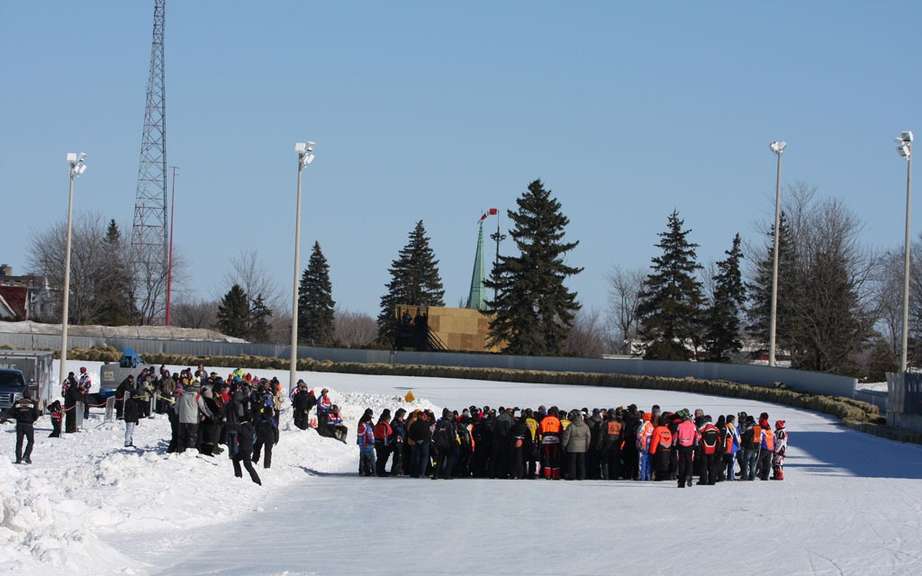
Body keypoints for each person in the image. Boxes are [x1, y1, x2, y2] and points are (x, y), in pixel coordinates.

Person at [225, 381, 261, 485]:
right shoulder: (251, 427)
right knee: (245, 464)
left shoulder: (241, 427)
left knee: (241, 462)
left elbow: (237, 433)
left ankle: (240, 476)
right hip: (249, 449)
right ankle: (255, 480)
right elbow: (254, 438)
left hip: (244, 449)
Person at [1, 389, 39, 464]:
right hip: (29, 425)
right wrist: (32, 419)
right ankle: (26, 455)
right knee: (31, 441)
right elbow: (36, 414)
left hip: (20, 424)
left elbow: (11, 412)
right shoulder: (33, 403)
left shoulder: (18, 402)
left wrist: (17, 417)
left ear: (23, 395)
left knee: (19, 442)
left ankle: (18, 459)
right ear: (30, 395)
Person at [252, 385, 277, 469]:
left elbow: (255, 425)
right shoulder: (271, 420)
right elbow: (275, 429)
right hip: (269, 437)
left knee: (257, 448)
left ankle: (254, 460)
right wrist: (276, 438)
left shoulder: (260, 418)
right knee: (268, 451)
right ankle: (266, 466)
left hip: (260, 435)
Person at [562, 410, 591, 480]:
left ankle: (572, 476)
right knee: (581, 463)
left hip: (572, 447)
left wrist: (564, 445)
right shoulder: (585, 426)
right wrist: (587, 446)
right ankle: (581, 476)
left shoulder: (571, 425)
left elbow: (566, 436)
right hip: (582, 448)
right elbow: (588, 437)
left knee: (572, 463)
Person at [433, 408, 457, 479]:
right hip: (448, 444)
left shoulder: (439, 422)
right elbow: (452, 435)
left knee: (439, 460)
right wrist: (453, 442)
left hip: (440, 444)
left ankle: (436, 474)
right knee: (450, 460)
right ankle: (447, 475)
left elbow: (435, 434)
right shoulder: (449, 424)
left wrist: (436, 442)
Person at [539, 407, 562, 479]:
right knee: (555, 457)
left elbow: (540, 431)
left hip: (546, 440)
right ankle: (555, 475)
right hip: (555, 440)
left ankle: (547, 474)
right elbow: (561, 431)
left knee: (547, 458)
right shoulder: (557, 420)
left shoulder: (544, 420)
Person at [675, 410, 697, 488]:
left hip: (681, 446)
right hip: (690, 446)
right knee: (689, 462)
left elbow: (676, 437)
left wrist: (675, 445)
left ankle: (681, 482)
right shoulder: (693, 426)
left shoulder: (679, 425)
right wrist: (695, 445)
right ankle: (689, 476)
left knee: (681, 464)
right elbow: (696, 436)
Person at [648, 416, 673, 481]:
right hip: (667, 450)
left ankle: (659, 477)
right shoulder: (668, 430)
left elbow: (655, 441)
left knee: (659, 464)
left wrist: (652, 451)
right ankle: (665, 476)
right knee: (665, 464)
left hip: (659, 450)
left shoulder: (657, 429)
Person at [408, 410, 431, 478]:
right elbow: (429, 433)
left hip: (416, 443)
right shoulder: (425, 424)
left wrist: (415, 440)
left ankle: (416, 473)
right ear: (419, 416)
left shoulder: (414, 424)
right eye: (423, 415)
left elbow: (410, 434)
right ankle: (421, 473)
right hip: (424, 443)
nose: (424, 417)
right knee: (423, 458)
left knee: (416, 458)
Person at [698, 416, 720, 485]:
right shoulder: (716, 428)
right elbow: (719, 439)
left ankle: (703, 481)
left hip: (704, 449)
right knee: (712, 466)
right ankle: (712, 481)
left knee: (703, 466)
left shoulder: (703, 427)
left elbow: (698, 437)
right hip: (713, 450)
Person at [373, 409, 393, 477]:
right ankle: (379, 471)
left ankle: (380, 470)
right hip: (382, 444)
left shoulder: (381, 423)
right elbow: (383, 435)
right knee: (382, 458)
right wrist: (386, 444)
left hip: (380, 443)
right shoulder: (382, 424)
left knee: (382, 457)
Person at [357, 409, 376, 476]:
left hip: (362, 442)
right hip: (367, 443)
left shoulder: (361, 421)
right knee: (371, 458)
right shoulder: (366, 423)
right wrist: (373, 441)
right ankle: (372, 471)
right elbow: (370, 432)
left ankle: (362, 471)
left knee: (363, 457)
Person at [636, 412, 654, 481]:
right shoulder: (651, 426)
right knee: (648, 461)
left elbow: (639, 435)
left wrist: (639, 443)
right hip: (649, 445)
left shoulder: (643, 425)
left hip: (643, 445)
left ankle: (642, 476)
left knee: (641, 461)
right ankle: (648, 476)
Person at [723, 414, 740, 481]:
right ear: (732, 420)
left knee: (724, 463)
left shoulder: (724, 426)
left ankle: (721, 475)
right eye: (734, 420)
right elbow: (737, 438)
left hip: (724, 447)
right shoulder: (733, 427)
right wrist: (738, 445)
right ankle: (730, 477)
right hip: (731, 448)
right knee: (731, 463)